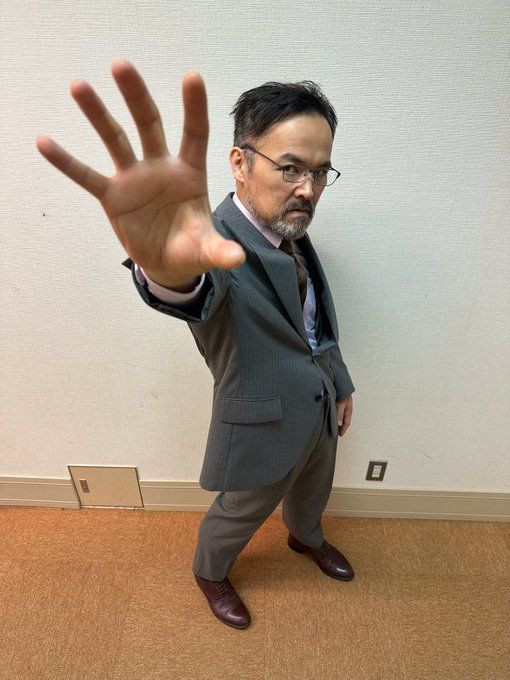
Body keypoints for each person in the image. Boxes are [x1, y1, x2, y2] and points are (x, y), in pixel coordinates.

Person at [36, 58, 356, 631]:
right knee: (240, 511)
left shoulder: (289, 230)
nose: (307, 190)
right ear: (239, 161)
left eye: (320, 171)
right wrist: (162, 269)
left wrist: (341, 383)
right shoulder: (208, 243)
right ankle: (210, 571)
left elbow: (314, 325)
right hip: (261, 422)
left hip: (319, 407)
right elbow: (195, 291)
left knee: (314, 489)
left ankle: (306, 538)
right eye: (289, 168)